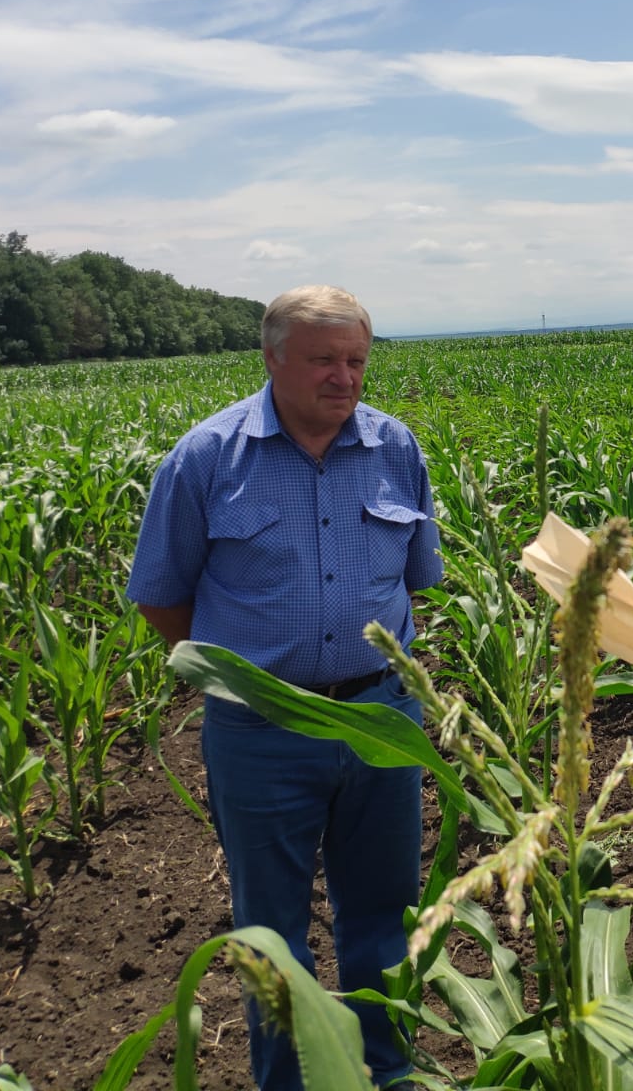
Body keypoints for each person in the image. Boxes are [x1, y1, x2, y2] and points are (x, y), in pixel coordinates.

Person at [127, 285, 441, 1090]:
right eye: (323, 360)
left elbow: (414, 582)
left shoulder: (396, 448)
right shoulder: (206, 458)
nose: (344, 378)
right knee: (272, 932)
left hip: (381, 716)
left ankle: (385, 1071)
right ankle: (294, 1080)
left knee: (385, 917)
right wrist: (239, 677)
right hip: (260, 731)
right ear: (271, 359)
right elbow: (161, 593)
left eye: (356, 361)